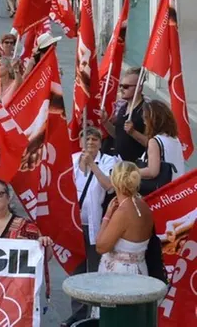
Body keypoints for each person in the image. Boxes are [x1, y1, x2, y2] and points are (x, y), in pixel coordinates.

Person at [64, 127, 119, 325]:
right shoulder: (70, 160)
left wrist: (93, 166)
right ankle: (78, 315)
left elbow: (109, 186)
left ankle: (94, 315)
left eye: (95, 139)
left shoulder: (108, 161)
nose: (91, 142)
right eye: (86, 139)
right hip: (75, 225)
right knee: (77, 271)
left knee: (95, 270)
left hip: (96, 226)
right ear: (79, 142)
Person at [96, 162, 153, 274]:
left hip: (121, 275)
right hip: (140, 269)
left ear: (114, 181)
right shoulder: (143, 204)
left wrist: (107, 216)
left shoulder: (123, 212)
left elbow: (101, 247)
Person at [101, 67, 148, 163]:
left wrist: (133, 132)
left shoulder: (146, 110)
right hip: (118, 165)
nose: (122, 89)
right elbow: (118, 134)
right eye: (121, 86)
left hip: (134, 167)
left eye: (126, 86)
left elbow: (152, 143)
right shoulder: (123, 108)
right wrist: (105, 121)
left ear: (139, 88)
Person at [139, 99, 186, 181]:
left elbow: (152, 171)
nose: (144, 123)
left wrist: (129, 172)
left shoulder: (154, 142)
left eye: (145, 118)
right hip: (177, 187)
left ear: (153, 120)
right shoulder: (174, 138)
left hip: (162, 190)